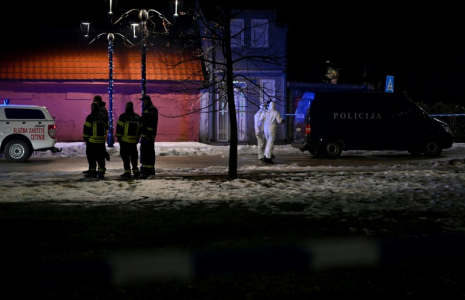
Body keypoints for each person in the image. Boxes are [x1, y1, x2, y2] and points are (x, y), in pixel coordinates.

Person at [83, 102, 109, 179]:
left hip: (92, 141)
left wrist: (86, 139)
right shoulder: (104, 116)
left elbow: (86, 129)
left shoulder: (90, 117)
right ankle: (101, 172)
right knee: (101, 157)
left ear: (92, 108)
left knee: (91, 157)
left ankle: (92, 171)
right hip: (101, 141)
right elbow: (107, 127)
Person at [116, 101, 142, 179]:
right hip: (133, 141)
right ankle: (135, 170)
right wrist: (137, 138)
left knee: (126, 157)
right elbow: (140, 129)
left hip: (125, 141)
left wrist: (119, 138)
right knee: (134, 156)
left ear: (127, 107)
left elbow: (119, 129)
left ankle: (127, 171)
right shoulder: (137, 117)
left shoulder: (123, 116)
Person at [139, 95, 158, 179]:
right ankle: (145, 167)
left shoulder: (151, 109)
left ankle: (149, 169)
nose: (143, 102)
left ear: (147, 100)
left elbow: (151, 123)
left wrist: (149, 135)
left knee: (148, 152)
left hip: (148, 136)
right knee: (144, 152)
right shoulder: (147, 108)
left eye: (144, 100)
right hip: (145, 135)